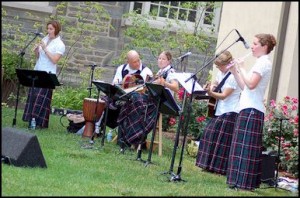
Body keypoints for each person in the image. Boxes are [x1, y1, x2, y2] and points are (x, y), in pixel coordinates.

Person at [226, 33, 277, 191]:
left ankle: (243, 183)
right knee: (239, 147)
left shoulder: (263, 63)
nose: (252, 47)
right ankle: (236, 181)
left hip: (253, 110)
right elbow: (245, 87)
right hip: (247, 107)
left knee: (246, 148)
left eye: (255, 44)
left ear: (265, 47)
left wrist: (242, 67)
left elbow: (252, 84)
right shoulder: (259, 63)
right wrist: (235, 71)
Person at [117, 51, 179, 150]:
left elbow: (176, 87)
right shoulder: (160, 72)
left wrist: (164, 83)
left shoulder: (171, 72)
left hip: (161, 102)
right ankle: (127, 137)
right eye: (159, 58)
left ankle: (133, 138)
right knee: (132, 97)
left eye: (163, 59)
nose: (161, 61)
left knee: (136, 100)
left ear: (169, 61)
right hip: (152, 99)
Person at [195, 50, 241, 175]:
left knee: (221, 140)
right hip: (219, 110)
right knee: (209, 134)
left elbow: (224, 95)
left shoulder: (232, 77)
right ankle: (208, 164)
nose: (218, 68)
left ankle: (218, 168)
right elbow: (216, 85)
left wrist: (211, 93)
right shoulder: (221, 73)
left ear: (227, 64)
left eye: (219, 66)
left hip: (230, 111)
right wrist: (209, 87)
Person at [22, 20, 65, 128]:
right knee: (34, 96)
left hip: (48, 74)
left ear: (56, 30)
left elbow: (54, 60)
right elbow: (39, 57)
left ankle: (39, 122)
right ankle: (32, 120)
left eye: (51, 29)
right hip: (38, 70)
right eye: (48, 28)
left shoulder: (60, 44)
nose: (48, 31)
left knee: (41, 99)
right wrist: (36, 50)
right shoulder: (45, 39)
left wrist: (45, 49)